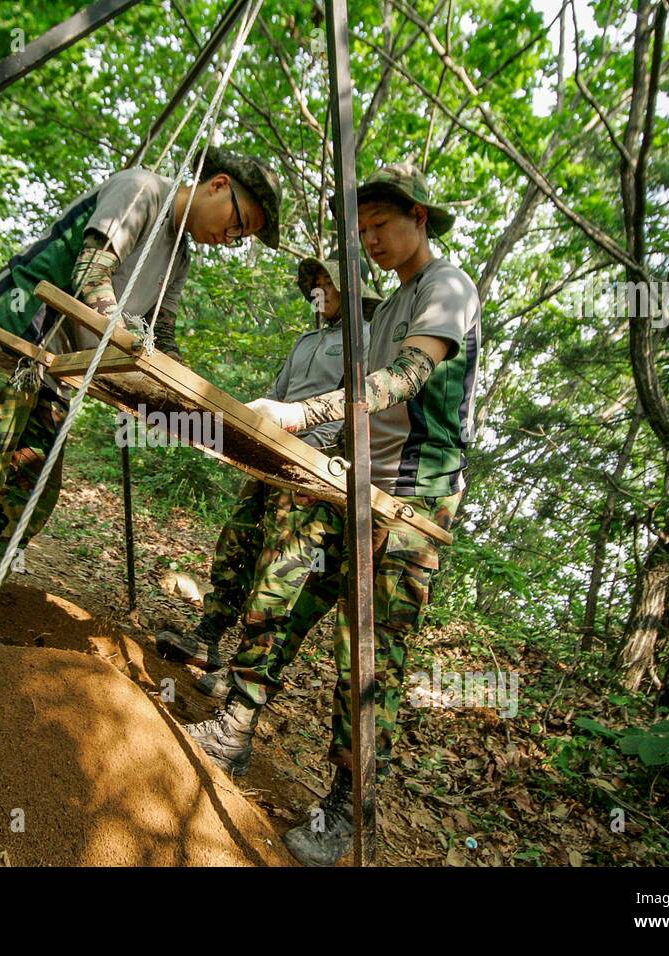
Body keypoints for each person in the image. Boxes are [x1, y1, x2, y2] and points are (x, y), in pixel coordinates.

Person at [187, 163, 480, 866]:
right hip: (349, 484)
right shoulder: (383, 309)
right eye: (362, 231)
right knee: (280, 591)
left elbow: (407, 376)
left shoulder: (447, 288)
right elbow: (359, 392)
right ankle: (235, 725)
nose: (369, 241)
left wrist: (303, 411)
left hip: (410, 502)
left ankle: (346, 807)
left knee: (368, 656)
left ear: (418, 215)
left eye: (380, 227)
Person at [0, 147, 283, 644]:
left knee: (31, 487)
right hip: (12, 338)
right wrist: (125, 338)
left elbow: (162, 329)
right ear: (218, 184)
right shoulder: (143, 189)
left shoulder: (179, 257)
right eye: (237, 224)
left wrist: (187, 391)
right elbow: (91, 273)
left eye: (239, 238)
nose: (228, 239)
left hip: (61, 372)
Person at [154, 255, 380, 692]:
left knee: (279, 571)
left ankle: (242, 673)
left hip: (314, 469)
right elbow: (276, 396)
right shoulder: (304, 342)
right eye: (312, 284)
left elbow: (358, 404)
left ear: (350, 290)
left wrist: (319, 445)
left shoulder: (366, 338)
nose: (317, 291)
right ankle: (207, 638)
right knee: (235, 544)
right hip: (268, 457)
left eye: (326, 283)